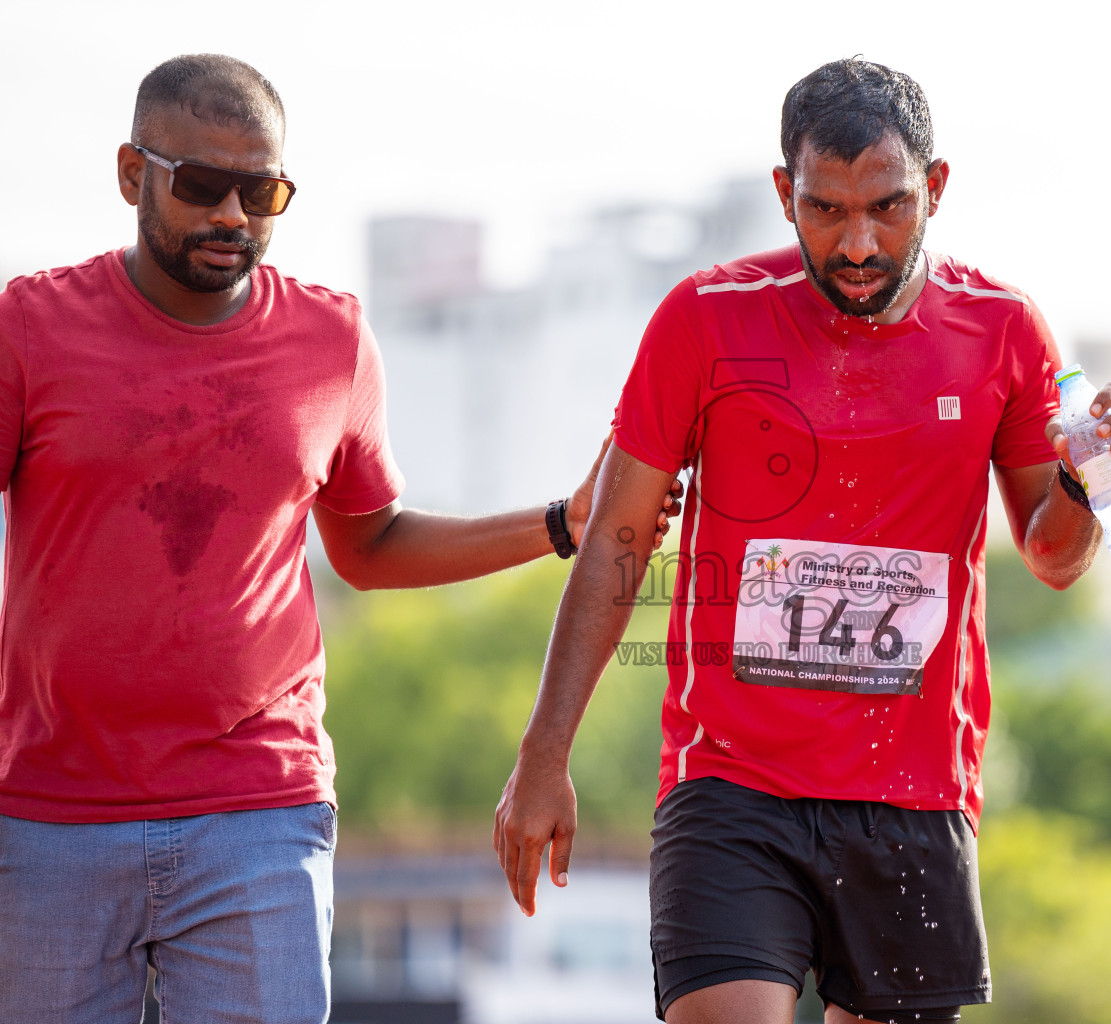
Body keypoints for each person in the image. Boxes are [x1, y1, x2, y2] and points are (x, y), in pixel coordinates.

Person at [0, 54, 677, 1024]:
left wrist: (561, 524)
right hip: (48, 815)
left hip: (256, 807)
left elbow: (369, 544)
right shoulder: (30, 326)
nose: (234, 215)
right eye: (201, 185)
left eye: (262, 190)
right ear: (128, 174)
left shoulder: (333, 340)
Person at [494, 58, 1111, 1024]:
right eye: (824, 210)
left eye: (886, 208)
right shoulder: (704, 321)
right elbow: (617, 546)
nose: (855, 242)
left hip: (916, 793)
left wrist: (1092, 482)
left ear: (934, 188)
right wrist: (544, 754)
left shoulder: (1004, 329)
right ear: (782, 193)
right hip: (731, 784)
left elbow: (1052, 558)